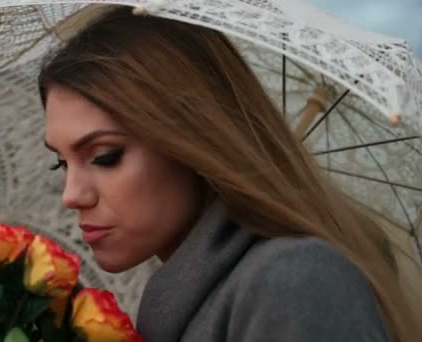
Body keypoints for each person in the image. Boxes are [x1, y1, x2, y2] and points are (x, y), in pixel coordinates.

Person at [38, 5, 421, 342]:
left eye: (105, 156)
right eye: (61, 162)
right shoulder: (185, 302)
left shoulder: (293, 283)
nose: (71, 195)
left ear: (192, 141)